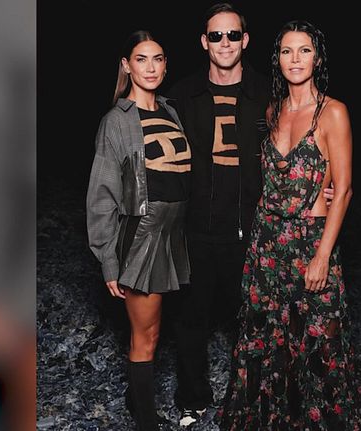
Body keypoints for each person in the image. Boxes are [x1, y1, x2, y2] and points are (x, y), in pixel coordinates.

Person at [218, 20, 361, 430]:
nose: (295, 59)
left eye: (304, 50)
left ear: (317, 58)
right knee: (266, 342)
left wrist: (322, 256)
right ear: (277, 59)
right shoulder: (273, 110)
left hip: (310, 241)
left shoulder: (333, 112)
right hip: (267, 244)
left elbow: (344, 189)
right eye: (286, 51)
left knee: (319, 343)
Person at [166, 3, 270, 427]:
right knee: (190, 320)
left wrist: (326, 185)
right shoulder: (181, 95)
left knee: (254, 322)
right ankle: (193, 398)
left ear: (245, 40)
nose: (224, 43)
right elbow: (155, 154)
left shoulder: (268, 93)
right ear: (203, 42)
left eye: (232, 35)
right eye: (216, 35)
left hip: (252, 230)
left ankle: (254, 401)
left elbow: (303, 142)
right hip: (195, 229)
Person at [86, 30, 190, 431]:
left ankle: (136, 400)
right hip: (142, 235)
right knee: (145, 336)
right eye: (141, 59)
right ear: (126, 66)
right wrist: (108, 260)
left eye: (158, 59)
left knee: (156, 331)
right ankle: (146, 422)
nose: (150, 67)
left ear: (166, 66)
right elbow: (101, 195)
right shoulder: (116, 121)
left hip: (173, 232)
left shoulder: (170, 111)